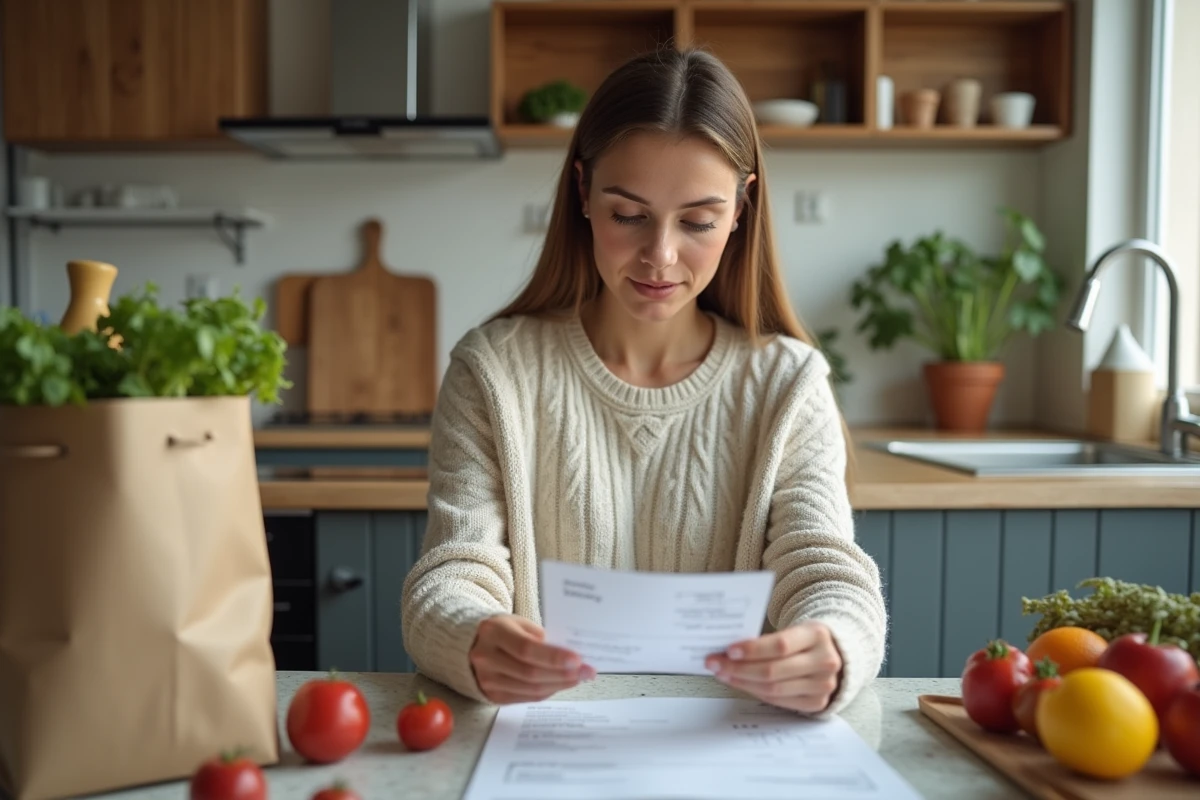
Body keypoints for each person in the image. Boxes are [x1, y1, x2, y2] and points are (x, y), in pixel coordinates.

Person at [401, 47, 887, 717]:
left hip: (728, 744)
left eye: (697, 221)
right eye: (629, 215)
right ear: (582, 193)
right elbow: (456, 571)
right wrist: (471, 637)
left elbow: (824, 566)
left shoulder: (787, 382)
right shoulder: (494, 371)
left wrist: (835, 646)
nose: (660, 255)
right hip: (546, 744)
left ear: (742, 209)